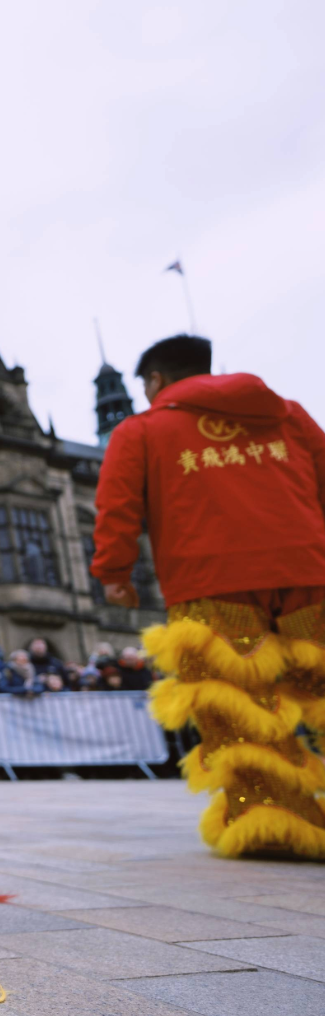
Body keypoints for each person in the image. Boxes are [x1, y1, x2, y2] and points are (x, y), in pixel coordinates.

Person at [91, 333, 325, 859]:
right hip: (308, 572)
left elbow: (117, 506)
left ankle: (274, 822)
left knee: (239, 702)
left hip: (211, 580)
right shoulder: (289, 415)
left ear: (155, 381)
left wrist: (114, 573)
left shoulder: (143, 428)